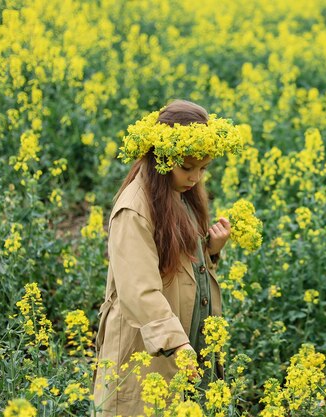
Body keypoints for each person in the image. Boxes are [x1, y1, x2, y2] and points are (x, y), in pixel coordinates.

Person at [92, 99, 243, 416]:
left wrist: (211, 250)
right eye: (187, 168)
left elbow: (181, 267)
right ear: (161, 158)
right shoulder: (134, 210)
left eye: (203, 168)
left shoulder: (180, 195)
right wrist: (176, 342)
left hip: (182, 341)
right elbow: (139, 291)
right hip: (150, 348)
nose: (196, 178)